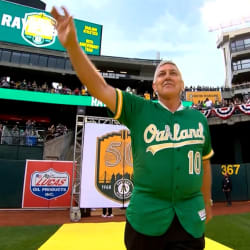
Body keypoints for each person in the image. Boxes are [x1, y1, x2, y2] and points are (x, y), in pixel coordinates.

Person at [51, 7, 214, 250]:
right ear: (154, 85)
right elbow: (99, 87)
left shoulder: (198, 119)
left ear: (182, 83)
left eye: (173, 73)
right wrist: (73, 45)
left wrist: (208, 201)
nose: (167, 76)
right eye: (162, 74)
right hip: (146, 218)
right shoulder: (138, 108)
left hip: (190, 218)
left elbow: (205, 163)